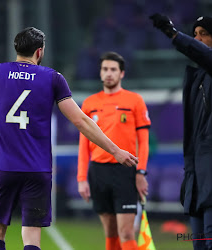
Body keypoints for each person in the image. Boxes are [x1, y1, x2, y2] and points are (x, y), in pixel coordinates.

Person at [0, 27, 138, 250]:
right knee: (32, 236)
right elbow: (81, 121)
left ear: (17, 48)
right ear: (39, 51)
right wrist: (115, 150)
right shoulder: (53, 78)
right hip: (37, 169)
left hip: (3, 167)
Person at [150, 14, 212, 250]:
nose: (198, 39)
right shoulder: (197, 78)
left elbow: (204, 55)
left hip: (211, 175)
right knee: (199, 243)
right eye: (194, 35)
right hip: (198, 176)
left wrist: (174, 35)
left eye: (204, 34)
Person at [77, 52, 151, 250]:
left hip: (125, 172)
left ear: (122, 74)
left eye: (113, 69)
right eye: (105, 69)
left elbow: (144, 143)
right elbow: (84, 145)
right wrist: (82, 178)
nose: (108, 73)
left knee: (126, 232)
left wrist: (140, 172)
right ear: (100, 73)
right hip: (98, 173)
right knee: (110, 233)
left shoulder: (135, 101)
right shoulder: (89, 103)